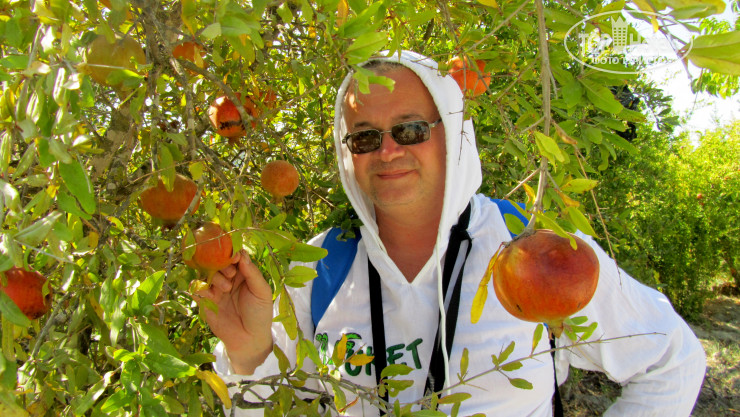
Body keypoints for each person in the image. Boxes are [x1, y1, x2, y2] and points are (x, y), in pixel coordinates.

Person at [198, 50, 706, 416]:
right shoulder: (316, 269)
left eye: (411, 129)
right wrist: (249, 354)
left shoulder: (535, 252)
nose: (388, 151)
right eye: (365, 137)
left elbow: (671, 360)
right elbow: (266, 406)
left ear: (455, 133)